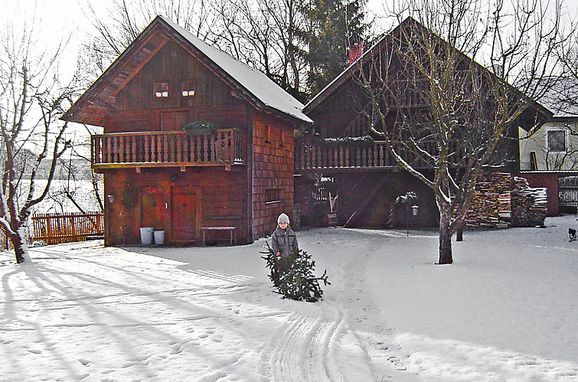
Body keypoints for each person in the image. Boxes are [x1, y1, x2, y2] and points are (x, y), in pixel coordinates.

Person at [271, 213, 299, 283]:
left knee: (290, 268)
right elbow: (274, 244)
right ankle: (281, 281)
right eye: (281, 223)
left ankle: (290, 280)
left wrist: (296, 252)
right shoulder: (276, 234)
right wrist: (276, 251)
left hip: (290, 255)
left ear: (287, 223)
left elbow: (295, 243)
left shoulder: (292, 233)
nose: (283, 225)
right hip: (281, 255)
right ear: (278, 224)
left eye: (284, 223)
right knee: (282, 268)